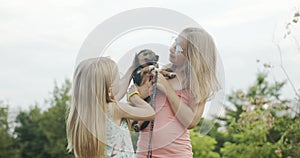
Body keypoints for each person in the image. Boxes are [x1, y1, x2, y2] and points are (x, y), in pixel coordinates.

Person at [136, 27, 221, 157]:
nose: (171, 48)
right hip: (145, 152)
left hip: (177, 154)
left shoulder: (196, 85)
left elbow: (191, 122)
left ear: (193, 57)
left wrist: (168, 90)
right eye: (174, 42)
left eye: (179, 49)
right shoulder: (160, 74)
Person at [66, 57, 155, 158]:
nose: (120, 81)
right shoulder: (115, 108)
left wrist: (132, 68)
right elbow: (150, 113)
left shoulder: (83, 115)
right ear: (109, 90)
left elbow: (116, 93)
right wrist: (134, 97)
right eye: (118, 79)